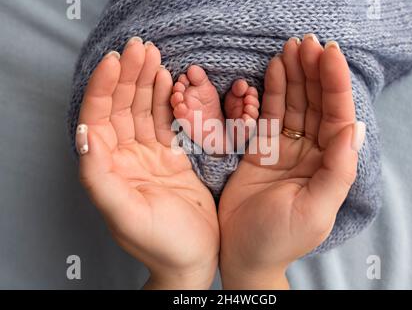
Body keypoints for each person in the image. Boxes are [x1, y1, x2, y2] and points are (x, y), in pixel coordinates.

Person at [74, 34, 365, 289]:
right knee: (335, 119)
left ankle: (218, 148)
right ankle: (222, 145)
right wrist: (255, 274)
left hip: (156, 153)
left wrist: (181, 276)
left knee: (114, 112)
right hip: (286, 150)